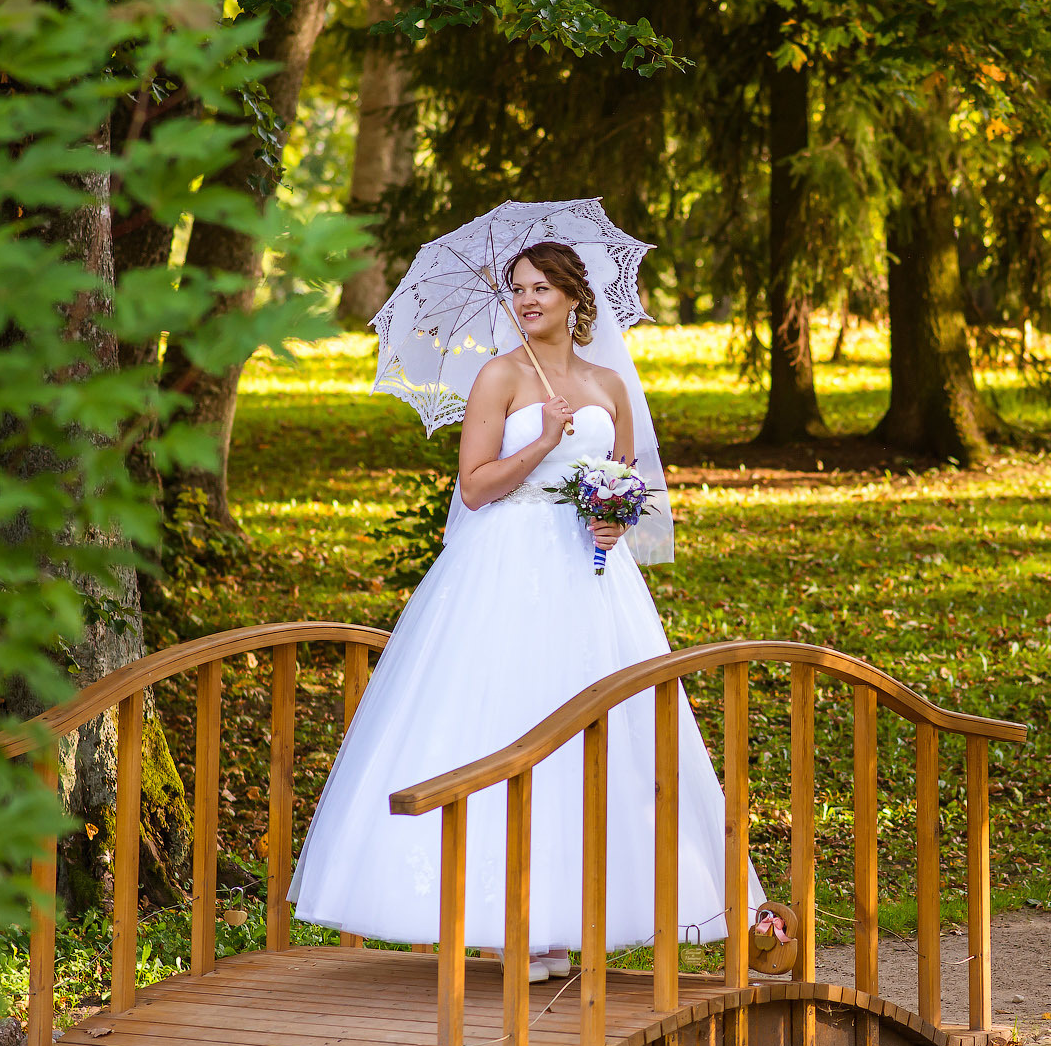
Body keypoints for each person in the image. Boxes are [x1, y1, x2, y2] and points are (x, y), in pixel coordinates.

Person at [287, 242, 762, 979]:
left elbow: (624, 480)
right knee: (505, 717)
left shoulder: (608, 383)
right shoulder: (499, 376)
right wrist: (542, 438)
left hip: (593, 577)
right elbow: (474, 487)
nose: (528, 300)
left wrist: (615, 519)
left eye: (542, 288)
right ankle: (505, 924)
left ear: (576, 298)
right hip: (505, 565)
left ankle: (564, 923)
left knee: (596, 732)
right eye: (518, 289)